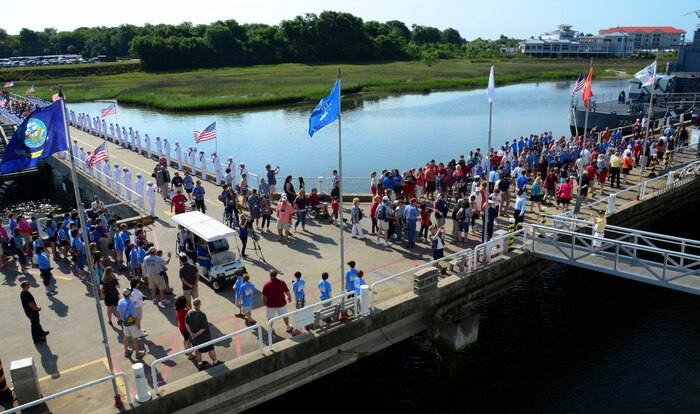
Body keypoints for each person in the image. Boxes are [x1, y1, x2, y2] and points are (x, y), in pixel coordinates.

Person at [186, 298, 223, 370]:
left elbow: (186, 324)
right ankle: (215, 362)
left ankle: (200, 365)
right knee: (211, 350)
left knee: (197, 350)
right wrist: (196, 334)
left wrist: (191, 334)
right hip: (204, 338)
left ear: (193, 304)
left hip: (194, 339)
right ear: (199, 304)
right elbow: (203, 328)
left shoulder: (189, 313)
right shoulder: (202, 315)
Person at [118, 287, 145, 358]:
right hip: (132, 324)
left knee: (126, 337)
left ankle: (126, 351)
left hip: (125, 323)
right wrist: (138, 325)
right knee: (135, 338)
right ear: (129, 294)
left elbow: (118, 311)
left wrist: (121, 319)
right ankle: (137, 354)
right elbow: (135, 317)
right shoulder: (130, 304)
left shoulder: (120, 301)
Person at [175, 296, 196, 361]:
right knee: (189, 341)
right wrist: (189, 309)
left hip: (181, 327)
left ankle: (186, 350)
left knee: (185, 339)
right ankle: (190, 355)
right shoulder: (185, 311)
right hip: (186, 328)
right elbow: (190, 318)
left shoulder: (177, 309)